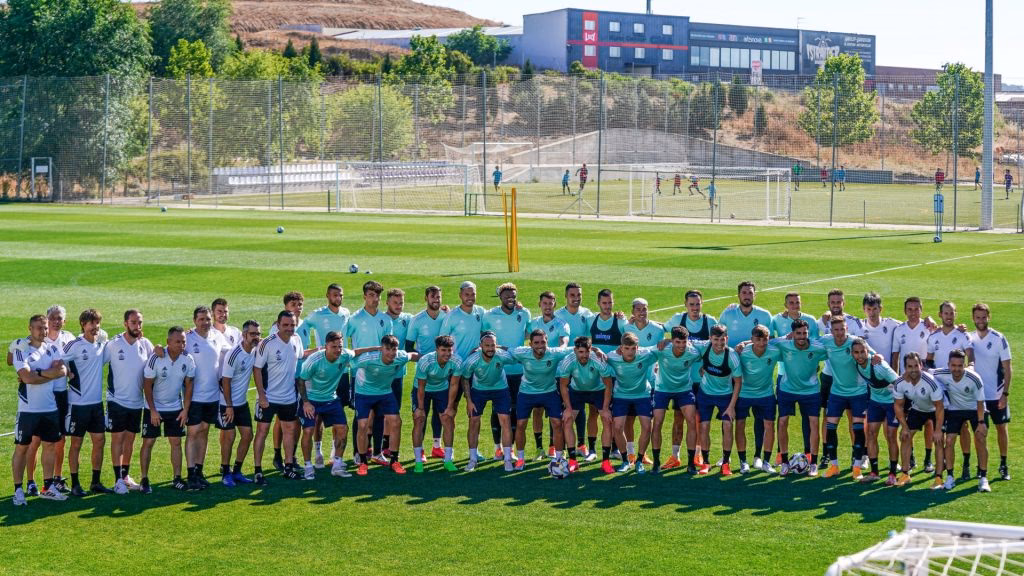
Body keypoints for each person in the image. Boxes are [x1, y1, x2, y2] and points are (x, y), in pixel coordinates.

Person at [11, 315, 68, 505]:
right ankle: (18, 489)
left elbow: (62, 371)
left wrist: (40, 373)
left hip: (49, 407)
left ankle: (47, 487)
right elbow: (26, 378)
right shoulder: (21, 350)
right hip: (28, 410)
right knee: (22, 448)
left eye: (44, 328)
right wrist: (46, 375)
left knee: (50, 445)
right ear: (30, 328)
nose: (42, 331)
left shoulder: (51, 348)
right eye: (38, 328)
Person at [665, 289, 717, 472]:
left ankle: (698, 454)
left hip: (702, 381)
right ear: (685, 305)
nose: (695, 308)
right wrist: (635, 320)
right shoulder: (678, 320)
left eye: (697, 304)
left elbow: (716, 345)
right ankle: (675, 455)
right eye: (691, 304)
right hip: (682, 381)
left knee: (699, 420)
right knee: (678, 418)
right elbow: (659, 329)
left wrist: (707, 364)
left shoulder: (710, 322)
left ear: (702, 304)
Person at [102, 309, 154, 493]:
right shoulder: (114, 344)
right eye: (133, 322)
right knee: (118, 438)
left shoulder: (145, 344)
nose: (137, 326)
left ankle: (125, 475)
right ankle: (117, 480)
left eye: (139, 322)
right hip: (117, 400)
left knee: (130, 440)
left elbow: (154, 364)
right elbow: (95, 361)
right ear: (125, 324)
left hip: (136, 401)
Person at [62, 308, 112, 496]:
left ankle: (95, 482)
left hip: (96, 404)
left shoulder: (100, 343)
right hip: (78, 404)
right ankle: (75, 484)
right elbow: (58, 359)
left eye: (97, 323)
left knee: (99, 440)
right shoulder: (74, 344)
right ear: (83, 325)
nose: (95, 327)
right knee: (76, 444)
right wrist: (67, 371)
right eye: (91, 323)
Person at [351, 335, 417, 476]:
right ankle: (363, 462)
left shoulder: (400, 357)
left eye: (394, 349)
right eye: (387, 349)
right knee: (362, 425)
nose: (391, 353)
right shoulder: (367, 359)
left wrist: (434, 357)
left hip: (385, 392)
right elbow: (348, 361)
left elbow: (412, 355)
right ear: (381, 349)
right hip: (363, 393)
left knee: (396, 422)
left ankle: (394, 460)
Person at [252, 310, 305, 485]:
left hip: (289, 397)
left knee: (289, 431)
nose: (289, 328)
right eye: (286, 325)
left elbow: (297, 365)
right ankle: (258, 471)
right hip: (269, 397)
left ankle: (288, 466)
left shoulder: (297, 340)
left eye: (292, 325)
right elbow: (257, 369)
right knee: (262, 432)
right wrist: (261, 395)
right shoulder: (267, 343)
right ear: (278, 324)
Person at [301, 283, 351, 467]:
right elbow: (301, 325)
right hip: (321, 368)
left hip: (341, 370)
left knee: (338, 412)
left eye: (340, 295)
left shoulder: (346, 313)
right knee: (318, 415)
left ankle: (334, 453)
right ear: (328, 296)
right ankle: (318, 451)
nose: (338, 298)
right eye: (335, 295)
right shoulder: (318, 314)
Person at [769, 319, 828, 476]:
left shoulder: (817, 347)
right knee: (782, 422)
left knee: (814, 423)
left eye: (804, 333)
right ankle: (785, 462)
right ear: (792, 334)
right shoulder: (784, 344)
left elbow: (832, 350)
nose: (802, 336)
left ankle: (814, 463)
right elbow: (765, 341)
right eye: (798, 333)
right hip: (787, 389)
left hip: (811, 391)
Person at [140, 326, 195, 493]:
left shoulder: (188, 359)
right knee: (149, 442)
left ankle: (177, 478)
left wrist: (185, 410)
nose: (181, 344)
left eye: (183, 341)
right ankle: (144, 479)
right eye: (178, 341)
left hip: (175, 407)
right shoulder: (156, 358)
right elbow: (147, 386)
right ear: (168, 342)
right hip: (154, 407)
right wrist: (153, 410)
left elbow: (189, 386)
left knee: (176, 442)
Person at [509, 330, 573, 470]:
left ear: (547, 342)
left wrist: (595, 349)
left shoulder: (555, 352)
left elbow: (576, 348)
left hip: (549, 392)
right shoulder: (522, 352)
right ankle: (520, 459)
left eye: (543, 342)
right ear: (530, 344)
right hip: (526, 393)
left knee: (557, 423)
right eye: (536, 343)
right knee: (521, 425)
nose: (540, 345)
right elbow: (505, 349)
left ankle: (559, 457)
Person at [345, 281, 393, 465]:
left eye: (377, 296)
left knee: (380, 414)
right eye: (371, 295)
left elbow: (389, 344)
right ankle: (358, 453)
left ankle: (378, 452)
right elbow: (343, 341)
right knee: (361, 415)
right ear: (364, 296)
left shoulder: (385, 319)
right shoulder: (355, 318)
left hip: (381, 373)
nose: (375, 299)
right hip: (360, 373)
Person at [183, 305, 230, 490]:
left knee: (204, 431)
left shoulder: (217, 336)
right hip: (194, 396)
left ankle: (199, 471)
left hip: (212, 395)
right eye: (201, 319)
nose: (205, 323)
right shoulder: (188, 338)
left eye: (208, 319)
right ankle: (190, 473)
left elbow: (231, 351)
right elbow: (172, 348)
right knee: (193, 433)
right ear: (194, 321)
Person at [297, 331, 355, 480]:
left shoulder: (345, 355)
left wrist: (378, 349)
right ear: (326, 346)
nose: (337, 349)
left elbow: (357, 352)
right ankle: (309, 466)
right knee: (308, 430)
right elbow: (301, 380)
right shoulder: (314, 360)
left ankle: (337, 465)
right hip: (311, 398)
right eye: (333, 346)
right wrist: (306, 403)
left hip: (331, 398)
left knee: (343, 428)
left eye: (340, 346)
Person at [769, 292, 819, 465]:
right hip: (785, 373)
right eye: (791, 302)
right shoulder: (776, 319)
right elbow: (768, 340)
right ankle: (779, 453)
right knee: (782, 419)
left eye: (797, 302)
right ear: (785, 304)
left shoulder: (810, 320)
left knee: (809, 418)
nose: (794, 305)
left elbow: (817, 342)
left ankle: (809, 453)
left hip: (806, 371)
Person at [482, 283, 531, 456]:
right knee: (498, 409)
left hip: (518, 370)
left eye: (514, 295)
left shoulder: (524, 313)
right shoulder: (490, 315)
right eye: (507, 296)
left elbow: (529, 334)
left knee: (516, 410)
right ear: (500, 297)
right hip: (498, 370)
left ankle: (512, 450)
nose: (511, 298)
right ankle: (498, 449)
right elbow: (483, 337)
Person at [965, 303, 1012, 481]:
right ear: (973, 319)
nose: (981, 321)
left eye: (983, 317)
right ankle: (980, 465)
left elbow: (1008, 368)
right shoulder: (968, 338)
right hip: (978, 397)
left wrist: (1005, 394)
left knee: (1001, 429)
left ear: (989, 317)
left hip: (997, 394)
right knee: (979, 433)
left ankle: (1003, 464)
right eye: (977, 317)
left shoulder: (999, 338)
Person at [689, 325, 742, 475]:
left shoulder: (732, 356)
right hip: (705, 394)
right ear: (710, 339)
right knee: (704, 427)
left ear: (727, 339)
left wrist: (731, 406)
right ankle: (706, 463)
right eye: (716, 339)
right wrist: (666, 342)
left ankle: (726, 463)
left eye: (722, 339)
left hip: (725, 395)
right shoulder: (704, 347)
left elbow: (738, 382)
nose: (719, 343)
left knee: (727, 426)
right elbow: (684, 341)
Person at [935, 349, 989, 492]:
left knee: (980, 438)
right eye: (953, 365)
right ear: (948, 364)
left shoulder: (974, 378)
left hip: (975, 409)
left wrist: (982, 423)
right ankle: (950, 477)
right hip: (955, 410)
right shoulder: (941, 373)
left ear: (964, 365)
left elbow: (980, 402)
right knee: (949, 440)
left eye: (960, 365)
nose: (957, 369)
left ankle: (983, 478)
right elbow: (924, 371)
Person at [557, 337, 614, 473]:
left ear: (590, 350)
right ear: (575, 350)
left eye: (586, 352)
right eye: (581, 352)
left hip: (598, 391)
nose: (584, 355)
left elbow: (608, 384)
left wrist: (605, 408)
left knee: (607, 420)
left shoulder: (598, 359)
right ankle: (572, 461)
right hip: (577, 391)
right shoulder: (567, 361)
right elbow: (563, 386)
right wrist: (568, 408)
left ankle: (605, 462)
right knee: (568, 420)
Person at [648, 327, 701, 474]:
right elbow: (641, 351)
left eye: (684, 342)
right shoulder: (662, 348)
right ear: (672, 340)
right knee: (657, 422)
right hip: (662, 390)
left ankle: (691, 463)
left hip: (684, 390)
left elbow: (709, 350)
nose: (681, 346)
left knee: (691, 421)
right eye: (677, 342)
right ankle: (656, 462)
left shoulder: (693, 352)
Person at [460, 332, 515, 471]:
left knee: (505, 420)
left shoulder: (501, 355)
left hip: (500, 389)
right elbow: (465, 378)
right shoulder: (472, 360)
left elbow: (517, 356)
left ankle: (507, 459)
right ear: (480, 346)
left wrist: (503, 347)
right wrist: (469, 401)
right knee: (473, 421)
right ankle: (473, 459)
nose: (490, 348)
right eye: (487, 345)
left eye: (493, 345)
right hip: (479, 390)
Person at [555, 282, 597, 461]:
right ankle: (556, 446)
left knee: (580, 404)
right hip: (563, 366)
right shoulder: (558, 315)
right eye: (572, 295)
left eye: (578, 294)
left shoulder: (587, 314)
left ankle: (582, 444)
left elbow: (601, 324)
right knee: (564, 408)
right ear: (566, 296)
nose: (576, 297)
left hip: (583, 364)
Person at [604, 332, 657, 474]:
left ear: (637, 347)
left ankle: (639, 460)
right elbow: (597, 357)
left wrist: (667, 341)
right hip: (621, 395)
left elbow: (660, 349)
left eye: (633, 348)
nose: (630, 352)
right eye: (627, 348)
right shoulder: (612, 357)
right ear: (621, 348)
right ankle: (625, 460)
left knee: (647, 427)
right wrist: (596, 350)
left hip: (643, 395)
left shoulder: (645, 355)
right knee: (617, 427)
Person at [217, 320, 261, 486]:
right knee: (229, 436)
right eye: (252, 334)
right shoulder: (234, 354)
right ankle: (225, 472)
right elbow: (225, 381)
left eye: (258, 334)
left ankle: (237, 471)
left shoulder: (255, 350)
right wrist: (228, 406)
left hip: (241, 403)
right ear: (243, 335)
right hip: (227, 403)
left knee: (248, 435)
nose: (256, 337)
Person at [406, 285, 448, 460]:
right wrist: (425, 359)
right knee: (421, 415)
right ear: (426, 298)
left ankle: (437, 447)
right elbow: (408, 347)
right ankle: (421, 450)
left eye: (438, 296)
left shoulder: (447, 317)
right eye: (432, 297)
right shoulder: (417, 320)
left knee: (440, 414)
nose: (436, 300)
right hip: (422, 378)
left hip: (443, 377)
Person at [852, 338, 901, 485]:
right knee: (871, 434)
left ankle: (892, 474)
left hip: (892, 403)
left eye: (862, 352)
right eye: (856, 352)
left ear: (868, 352)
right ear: (852, 354)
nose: (860, 356)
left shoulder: (879, 367)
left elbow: (899, 383)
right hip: (875, 402)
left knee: (891, 436)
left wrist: (902, 407)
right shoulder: (857, 364)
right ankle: (874, 473)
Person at [892, 353, 944, 487]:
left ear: (921, 365)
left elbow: (939, 406)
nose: (914, 369)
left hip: (935, 409)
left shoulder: (930, 382)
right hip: (918, 408)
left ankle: (938, 478)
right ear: (905, 368)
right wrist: (904, 427)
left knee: (938, 439)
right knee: (905, 436)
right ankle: (905, 474)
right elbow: (898, 405)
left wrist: (938, 430)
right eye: (910, 366)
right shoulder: (900, 383)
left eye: (916, 365)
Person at [528, 291, 570, 457]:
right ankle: (539, 448)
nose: (547, 306)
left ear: (554, 304)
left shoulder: (562, 324)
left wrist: (555, 352)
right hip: (538, 373)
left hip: (558, 372)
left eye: (550, 303)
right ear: (540, 305)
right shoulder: (533, 324)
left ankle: (554, 446)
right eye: (544, 303)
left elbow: (564, 343)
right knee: (537, 411)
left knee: (556, 412)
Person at [734, 326, 780, 474]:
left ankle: (766, 461)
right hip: (744, 394)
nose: (761, 343)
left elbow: (785, 340)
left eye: (764, 339)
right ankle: (743, 462)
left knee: (769, 425)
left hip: (766, 394)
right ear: (752, 340)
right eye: (758, 339)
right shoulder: (742, 353)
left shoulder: (774, 351)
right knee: (740, 424)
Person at [413, 336, 462, 471]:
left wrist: (450, 406)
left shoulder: (457, 361)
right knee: (419, 419)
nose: (447, 353)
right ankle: (418, 461)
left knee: (447, 419)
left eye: (449, 350)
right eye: (443, 350)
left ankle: (448, 459)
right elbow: (421, 387)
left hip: (441, 389)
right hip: (422, 389)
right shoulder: (425, 361)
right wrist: (420, 408)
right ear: (436, 350)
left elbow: (454, 384)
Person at [44, 305, 76, 492]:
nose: (56, 321)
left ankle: (57, 477)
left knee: (61, 438)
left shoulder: (69, 338)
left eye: (60, 318)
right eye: (53, 317)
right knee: (38, 440)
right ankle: (32, 481)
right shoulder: (41, 338)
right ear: (47, 319)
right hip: (44, 393)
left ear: (64, 321)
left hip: (62, 393)